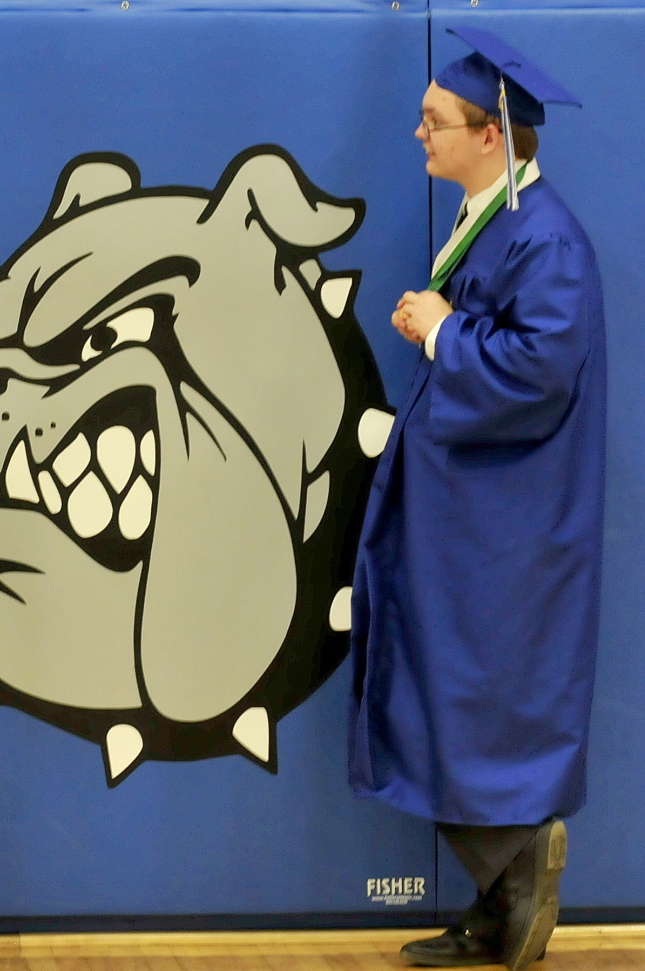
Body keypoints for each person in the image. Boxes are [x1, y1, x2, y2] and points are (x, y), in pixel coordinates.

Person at [347, 27, 605, 971]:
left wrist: (441, 329)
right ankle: (498, 904)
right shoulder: (493, 223)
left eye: (433, 121)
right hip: (465, 515)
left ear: (490, 135)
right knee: (439, 693)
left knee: (475, 699)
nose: (419, 134)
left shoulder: (547, 240)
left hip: (509, 528)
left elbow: (538, 370)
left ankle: (517, 861)